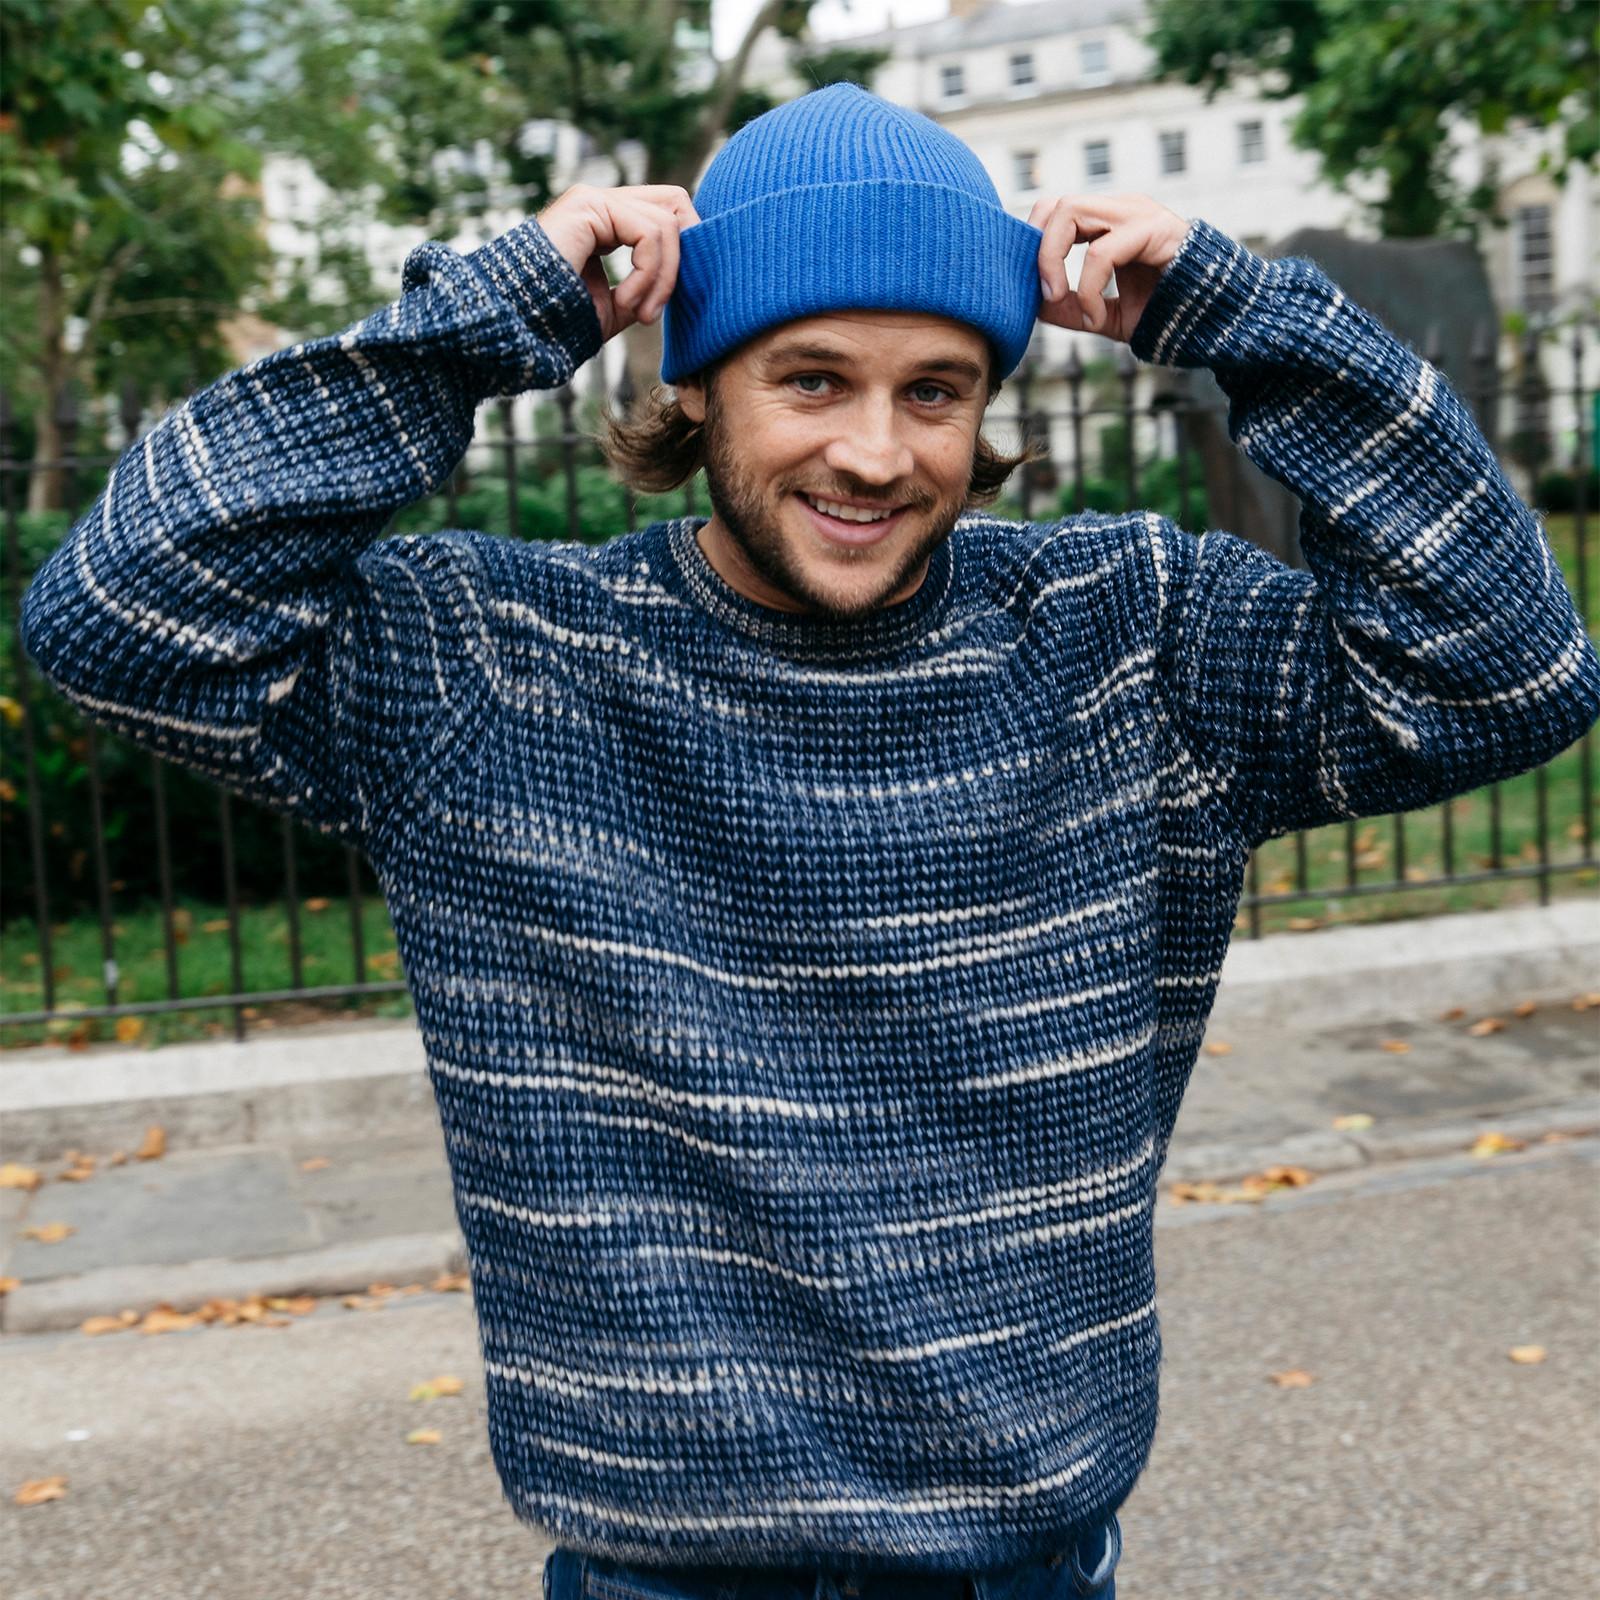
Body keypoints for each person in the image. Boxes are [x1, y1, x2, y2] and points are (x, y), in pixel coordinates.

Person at [18, 82, 1597, 1600]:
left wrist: (1250, 322)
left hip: (1027, 1559)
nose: (874, 453)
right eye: (812, 378)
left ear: (989, 403)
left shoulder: (1139, 637)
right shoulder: (495, 668)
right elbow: (118, 613)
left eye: (935, 391)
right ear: (694, 383)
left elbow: (1508, 675)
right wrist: (479, 325)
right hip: (661, 1570)